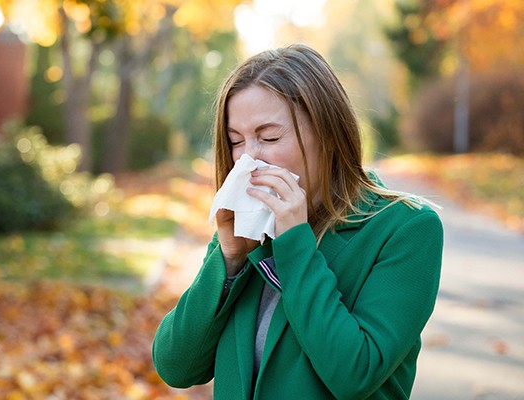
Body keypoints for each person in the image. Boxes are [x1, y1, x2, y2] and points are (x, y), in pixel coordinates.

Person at [151, 44, 444, 399]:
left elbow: (354, 374)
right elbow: (176, 366)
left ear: (328, 133)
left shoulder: (406, 229)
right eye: (236, 142)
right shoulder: (247, 230)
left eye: (269, 137)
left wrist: (294, 242)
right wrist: (227, 259)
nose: (249, 159)